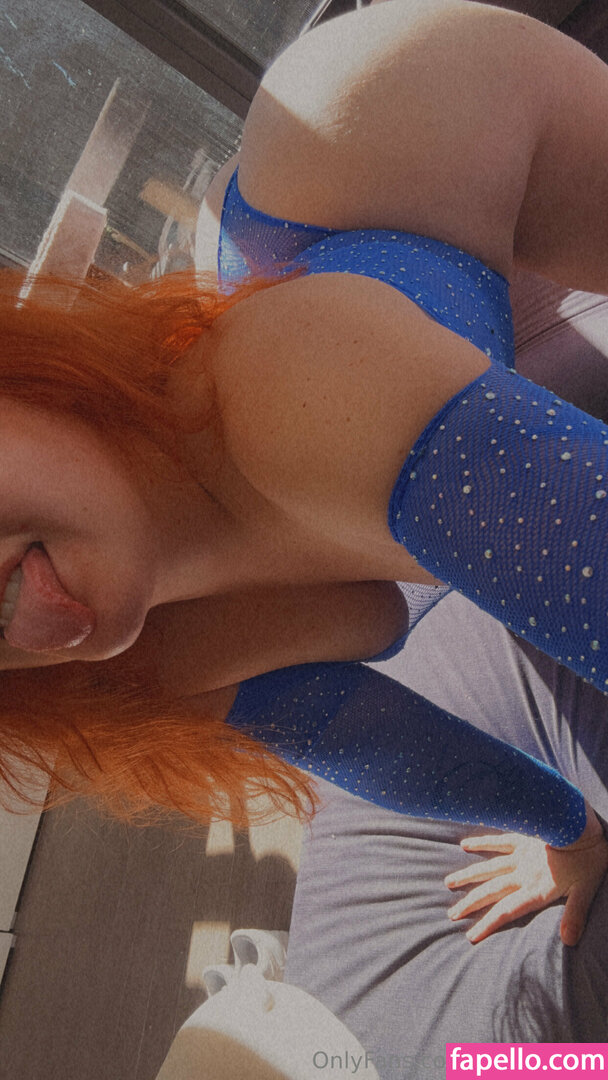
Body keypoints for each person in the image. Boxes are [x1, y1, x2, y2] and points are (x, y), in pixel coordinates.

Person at [1, 0, 608, 941]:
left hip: (400, 122)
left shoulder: (299, 393)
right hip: (289, 274)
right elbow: (377, 740)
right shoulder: (138, 664)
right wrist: (573, 835)